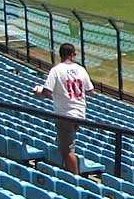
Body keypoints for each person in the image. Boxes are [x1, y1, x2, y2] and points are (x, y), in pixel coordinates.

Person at [34, 43, 94, 174]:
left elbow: (47, 92)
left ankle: (74, 178)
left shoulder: (56, 70)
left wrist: (39, 92)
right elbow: (90, 91)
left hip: (64, 114)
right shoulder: (81, 69)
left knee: (67, 150)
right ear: (72, 55)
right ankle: (70, 172)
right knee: (68, 146)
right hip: (80, 113)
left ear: (60, 55)